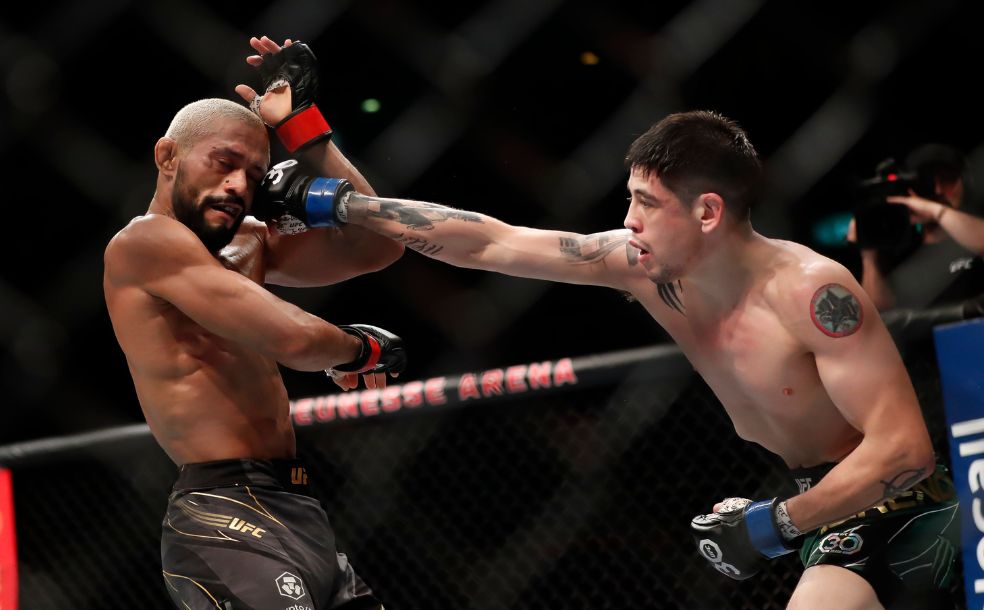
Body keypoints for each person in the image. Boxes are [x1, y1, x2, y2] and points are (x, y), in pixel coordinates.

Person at [261, 110, 960, 608]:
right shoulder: (645, 267)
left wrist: (772, 523)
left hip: (902, 506)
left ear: (708, 212)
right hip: (821, 503)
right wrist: (342, 202)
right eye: (630, 198)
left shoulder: (810, 292)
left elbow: (904, 449)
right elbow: (495, 244)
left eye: (646, 204)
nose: (628, 221)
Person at [102, 35, 404, 609]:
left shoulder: (249, 241)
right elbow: (290, 337)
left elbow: (378, 243)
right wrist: (358, 348)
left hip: (298, 508)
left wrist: (304, 131)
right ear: (167, 157)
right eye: (224, 163)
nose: (239, 185)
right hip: (223, 512)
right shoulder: (143, 244)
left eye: (256, 173)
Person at [851, 143, 984, 311]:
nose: (938, 190)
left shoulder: (975, 231)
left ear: (965, 182)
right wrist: (868, 254)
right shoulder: (899, 246)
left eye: (947, 179)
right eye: (927, 182)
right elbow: (880, 313)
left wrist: (934, 210)